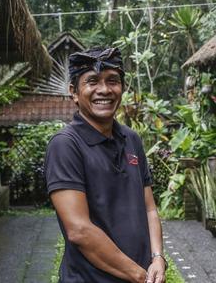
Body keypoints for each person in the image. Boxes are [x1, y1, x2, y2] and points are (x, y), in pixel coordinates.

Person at [44, 47, 167, 283]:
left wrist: (158, 258)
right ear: (74, 92)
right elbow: (79, 230)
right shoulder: (65, 145)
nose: (104, 90)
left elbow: (149, 209)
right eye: (92, 81)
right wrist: (140, 276)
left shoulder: (131, 139)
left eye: (113, 81)